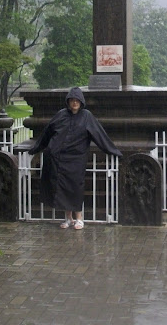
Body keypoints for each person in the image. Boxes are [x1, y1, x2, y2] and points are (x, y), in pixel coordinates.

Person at [28, 87, 122, 230]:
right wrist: (36, 149)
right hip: (60, 158)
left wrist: (113, 151)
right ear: (68, 102)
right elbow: (47, 133)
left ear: (81, 102)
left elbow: (99, 135)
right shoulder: (61, 115)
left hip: (76, 159)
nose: (74, 103)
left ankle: (79, 218)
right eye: (72, 100)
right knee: (62, 188)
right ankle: (68, 218)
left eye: (77, 100)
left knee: (75, 188)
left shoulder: (86, 116)